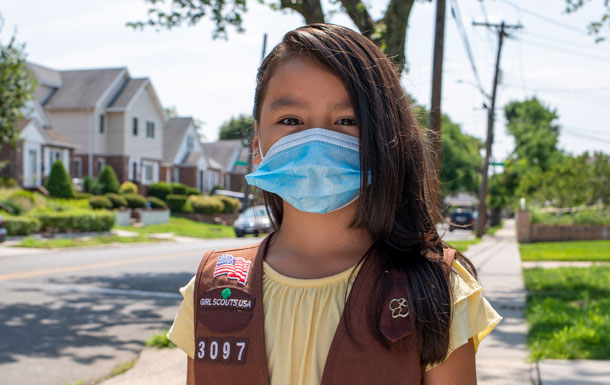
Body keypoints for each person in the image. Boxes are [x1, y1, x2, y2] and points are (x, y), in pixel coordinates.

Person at [167, 23, 502, 385]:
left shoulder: (438, 291)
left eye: (347, 120)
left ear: (386, 138)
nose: (316, 140)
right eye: (291, 120)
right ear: (256, 144)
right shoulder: (212, 292)